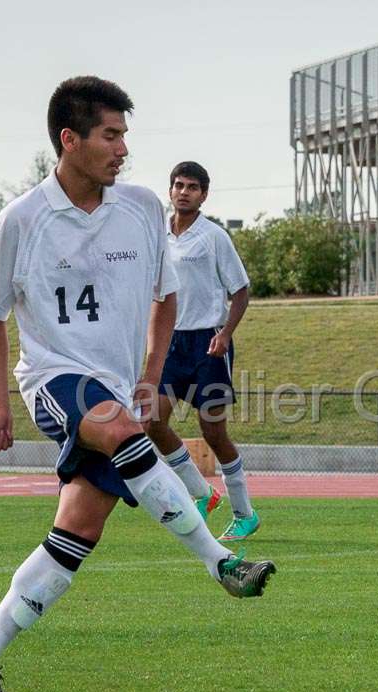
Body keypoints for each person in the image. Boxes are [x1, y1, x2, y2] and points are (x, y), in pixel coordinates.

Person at [0, 76, 275, 692]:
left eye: (125, 135)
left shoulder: (143, 207)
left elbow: (166, 296)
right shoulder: (21, 220)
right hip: (54, 380)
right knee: (123, 430)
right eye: (110, 135)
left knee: (76, 531)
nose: (123, 149)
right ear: (69, 140)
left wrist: (150, 377)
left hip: (120, 388)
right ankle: (220, 562)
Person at [144, 161, 260, 542]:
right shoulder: (157, 235)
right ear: (170, 189)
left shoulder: (214, 237)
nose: (183, 192)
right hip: (168, 343)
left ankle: (245, 513)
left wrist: (226, 334)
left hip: (208, 343)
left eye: (192, 187)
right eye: (178, 185)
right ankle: (202, 493)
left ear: (203, 194)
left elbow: (240, 291)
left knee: (213, 432)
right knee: (151, 422)